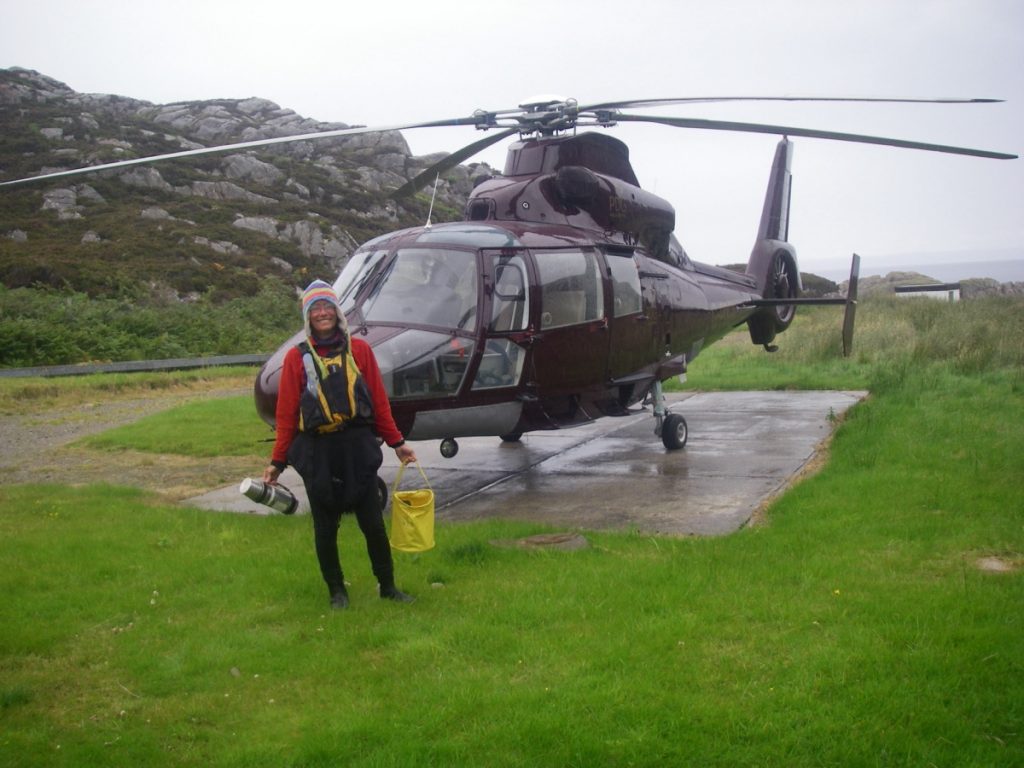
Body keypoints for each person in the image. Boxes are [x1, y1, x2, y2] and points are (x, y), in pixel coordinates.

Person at [262, 279, 418, 609]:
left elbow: (378, 400)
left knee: (373, 524)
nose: (322, 313)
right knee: (325, 527)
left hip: (356, 447)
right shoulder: (295, 358)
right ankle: (337, 592)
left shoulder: (359, 350)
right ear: (308, 317)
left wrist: (397, 442)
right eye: (315, 309)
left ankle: (387, 586)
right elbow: (287, 413)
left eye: (327, 307)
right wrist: (277, 462)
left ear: (337, 312)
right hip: (318, 452)